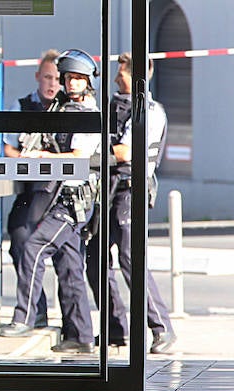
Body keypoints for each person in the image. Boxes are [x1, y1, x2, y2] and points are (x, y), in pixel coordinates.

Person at [0, 49, 102, 353]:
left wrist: (45, 156)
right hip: (63, 199)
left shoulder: (87, 115)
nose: (71, 84)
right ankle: (81, 336)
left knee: (34, 247)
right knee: (70, 267)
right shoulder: (65, 110)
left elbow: (79, 157)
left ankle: (25, 317)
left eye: (78, 79)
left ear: (88, 82)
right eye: (68, 78)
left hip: (72, 202)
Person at [84, 53, 176, 353]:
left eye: (121, 75)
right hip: (107, 189)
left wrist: (92, 154)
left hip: (130, 190)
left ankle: (162, 328)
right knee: (96, 257)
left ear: (138, 78)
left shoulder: (150, 112)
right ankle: (114, 329)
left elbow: (124, 152)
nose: (115, 79)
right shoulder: (114, 106)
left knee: (129, 257)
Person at [3, 49, 63, 329]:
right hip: (29, 188)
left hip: (58, 193)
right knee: (18, 236)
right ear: (37, 77)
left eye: (57, 79)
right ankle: (36, 309)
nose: (52, 84)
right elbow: (9, 149)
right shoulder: (23, 105)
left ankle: (75, 326)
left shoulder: (67, 109)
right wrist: (26, 159)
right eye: (48, 77)